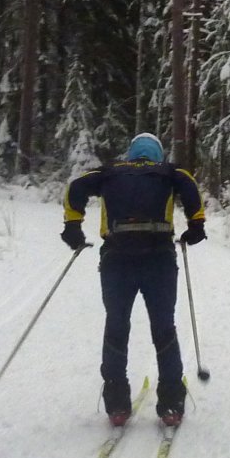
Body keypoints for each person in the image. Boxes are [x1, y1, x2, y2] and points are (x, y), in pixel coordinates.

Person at [62, 132, 206, 427]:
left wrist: (73, 226)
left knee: (116, 324)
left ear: (132, 154)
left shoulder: (110, 172)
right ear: (157, 153)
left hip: (117, 258)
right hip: (159, 260)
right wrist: (196, 226)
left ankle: (116, 403)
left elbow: (75, 188)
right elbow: (191, 190)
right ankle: (171, 404)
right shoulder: (169, 172)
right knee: (164, 327)